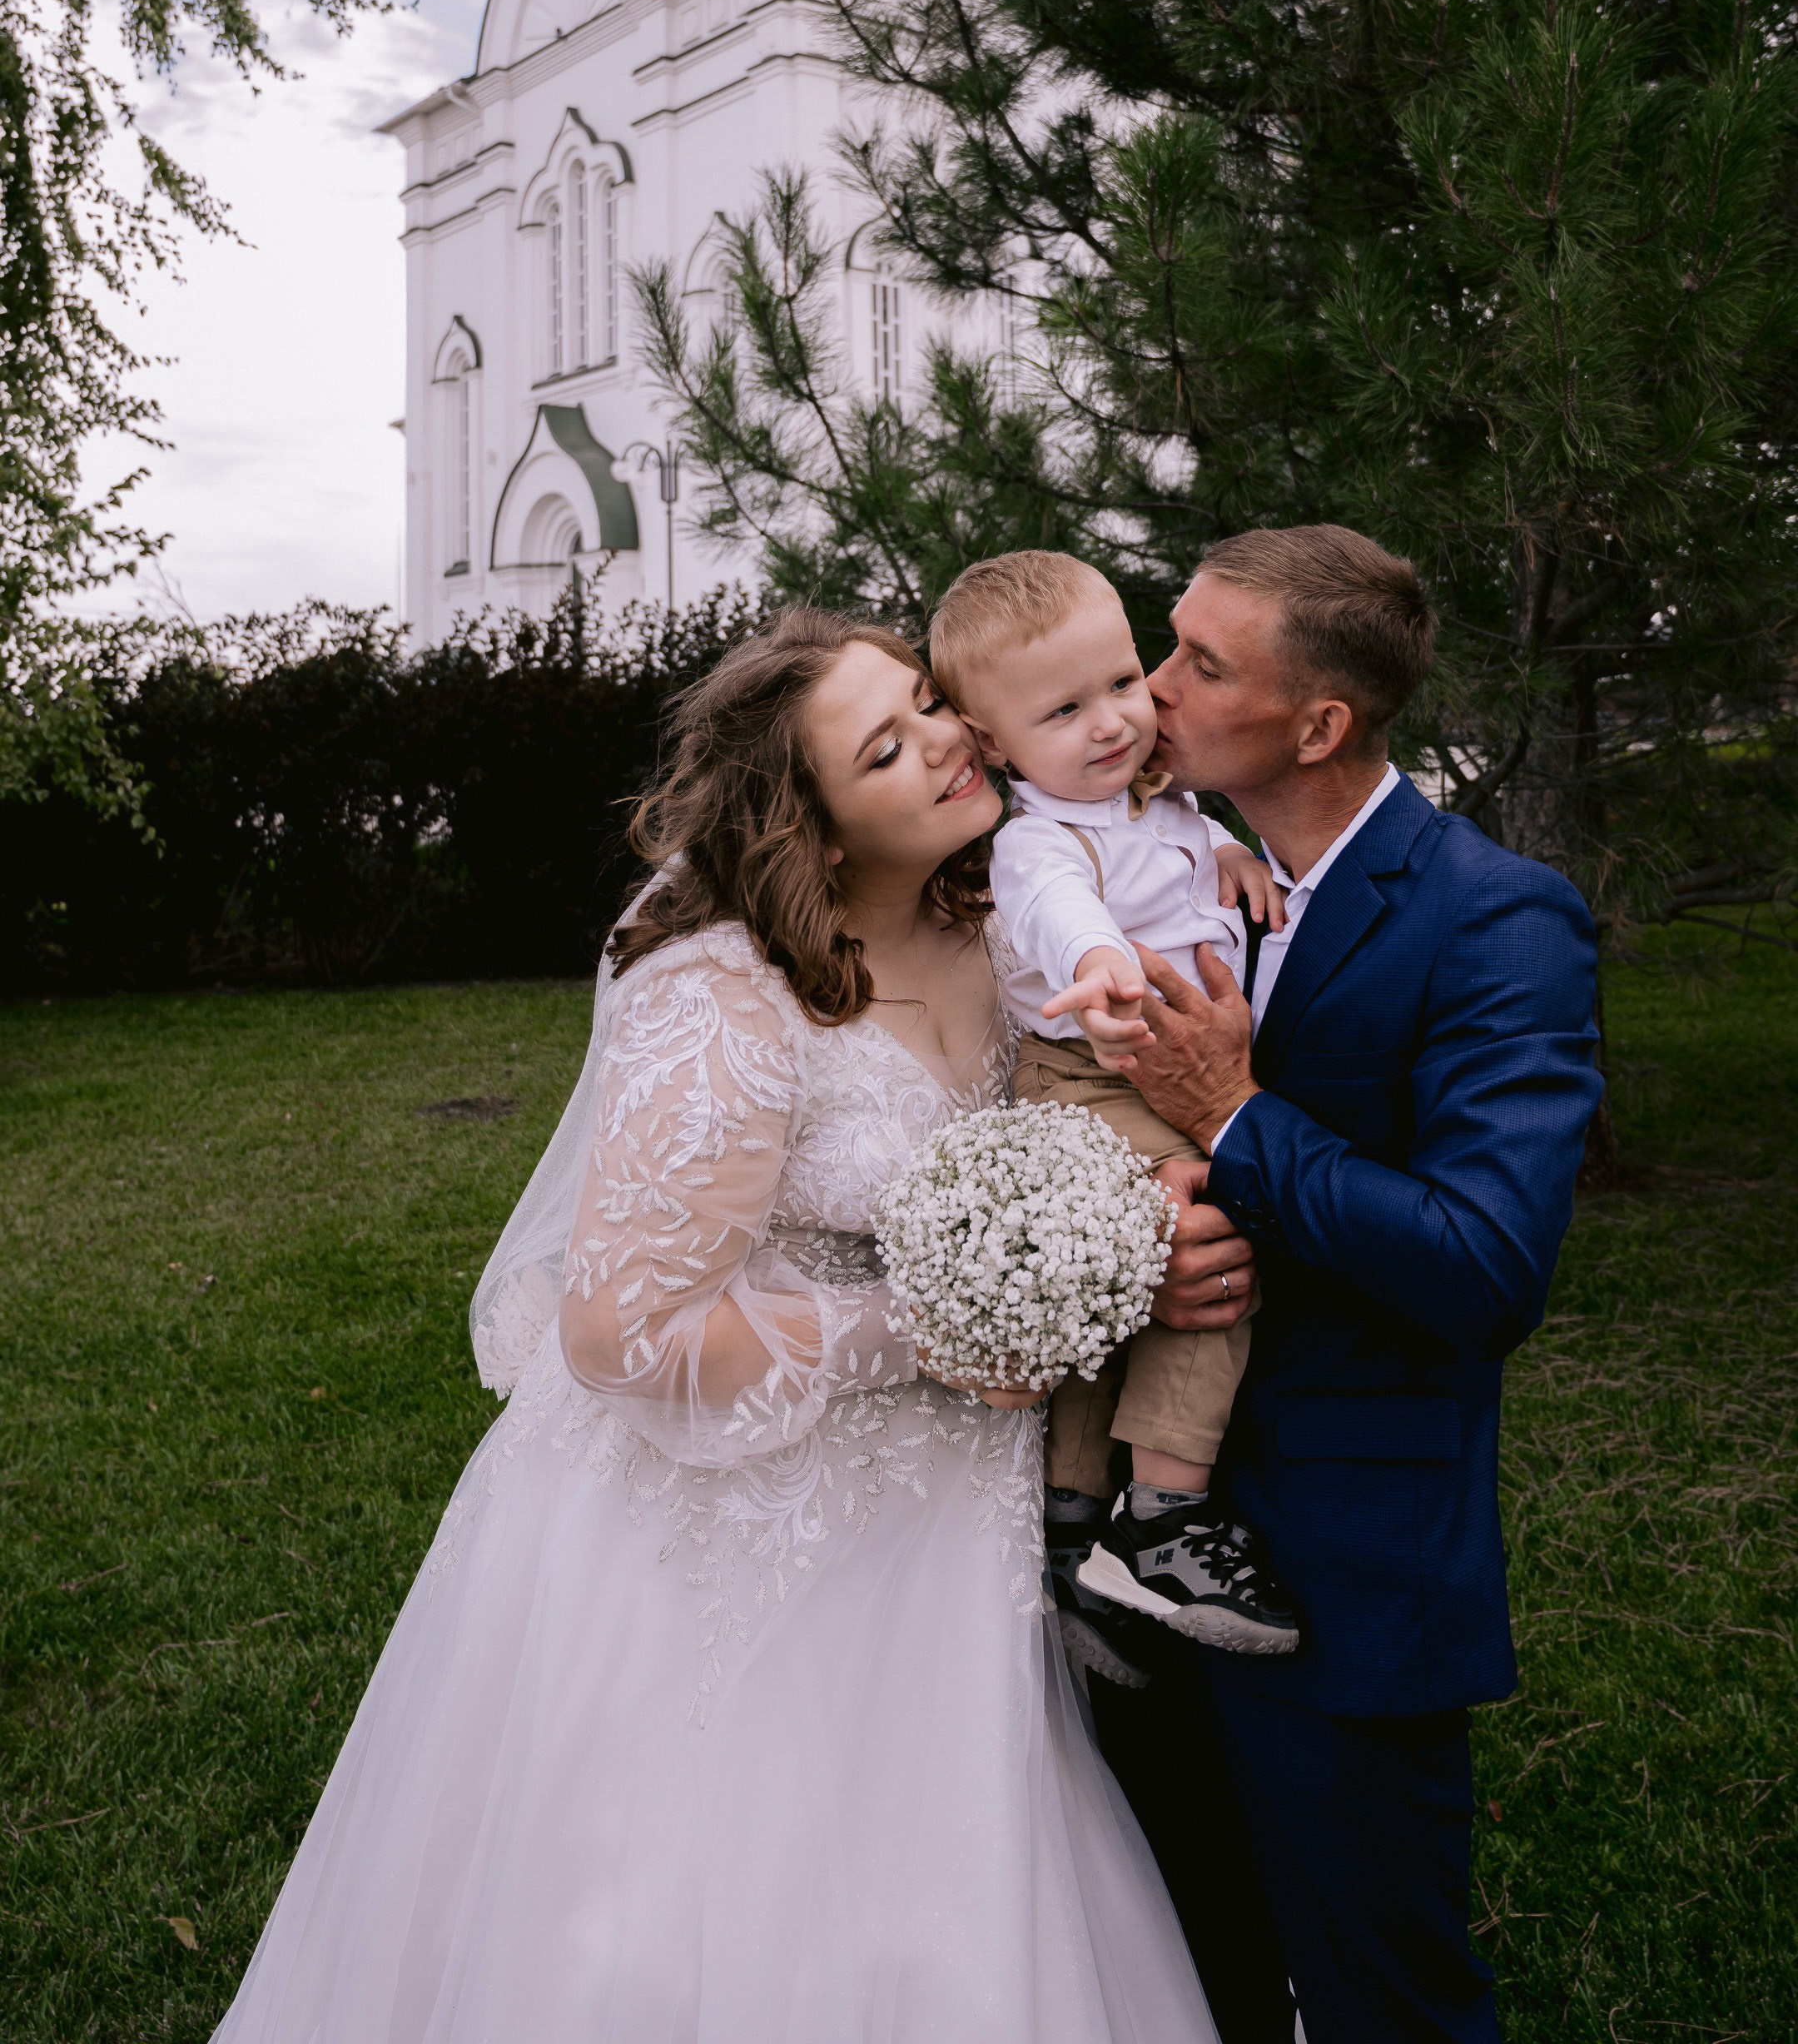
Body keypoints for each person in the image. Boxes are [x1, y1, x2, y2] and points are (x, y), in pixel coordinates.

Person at [211, 608, 1227, 2044]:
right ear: (810, 825)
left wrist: (1127, 1245)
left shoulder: (1010, 918)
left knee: (957, 1869)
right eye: (886, 750)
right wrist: (934, 1328)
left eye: (927, 702)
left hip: (954, 1511)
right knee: (703, 1887)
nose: (948, 741)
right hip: (729, 1506)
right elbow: (622, 1328)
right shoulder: (721, 991)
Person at [1093, 526, 1604, 2044]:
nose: (1153, 686)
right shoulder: (1155, 870)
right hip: (1127, 1542)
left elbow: (1484, 1264)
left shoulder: (1495, 917)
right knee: (1190, 1982)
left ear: (1319, 726)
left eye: (1202, 665)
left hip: (1346, 1564)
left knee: (1387, 2000)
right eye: (1168, 642)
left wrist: (1238, 1119)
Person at [928, 549, 1299, 1668]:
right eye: (1064, 711)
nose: (1112, 722)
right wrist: (1098, 964)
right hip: (1093, 1076)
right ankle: (1165, 1516)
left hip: (1139, 1071)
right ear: (994, 744)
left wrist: (1230, 850)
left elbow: (1174, 846)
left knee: (1110, 1289)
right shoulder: (1039, 840)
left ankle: (1073, 1517)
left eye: (1124, 683)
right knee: (1210, 1236)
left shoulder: (1164, 800)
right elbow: (1060, 908)